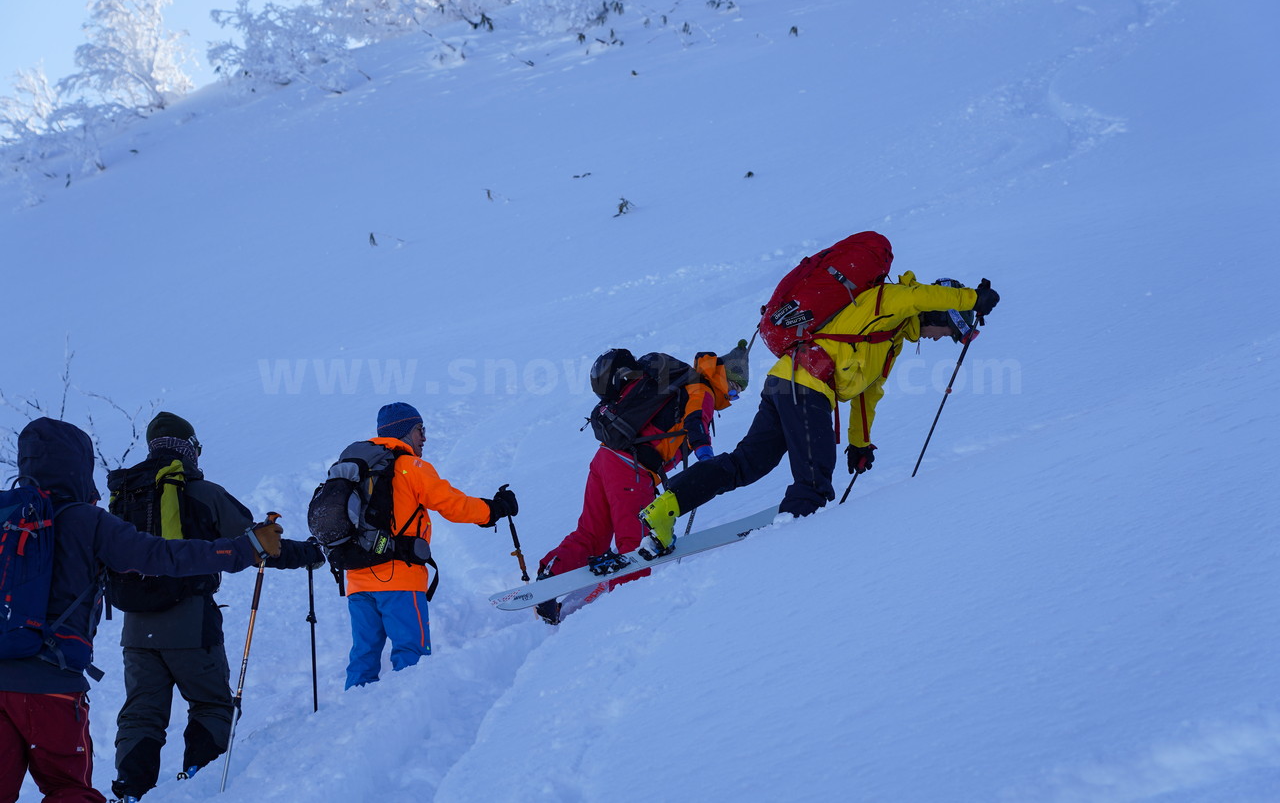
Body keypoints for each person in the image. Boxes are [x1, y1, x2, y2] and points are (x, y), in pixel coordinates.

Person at [0, 417, 282, 803]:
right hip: (51, 682)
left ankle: (133, 788)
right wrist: (240, 551)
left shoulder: (6, 518)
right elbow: (159, 555)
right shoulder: (86, 520)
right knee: (67, 789)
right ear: (78, 464)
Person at [638, 274, 1000, 554]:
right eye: (946, 329)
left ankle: (667, 506)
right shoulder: (890, 300)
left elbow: (865, 396)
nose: (940, 338)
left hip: (785, 382)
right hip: (806, 387)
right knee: (814, 481)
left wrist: (861, 444)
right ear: (936, 313)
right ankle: (790, 549)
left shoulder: (888, 340)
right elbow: (921, 295)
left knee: (746, 463)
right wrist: (971, 299)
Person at [109, 412, 323, 803]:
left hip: (136, 628)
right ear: (189, 449)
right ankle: (200, 785)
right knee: (210, 703)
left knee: (142, 713)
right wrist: (309, 554)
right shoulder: (203, 493)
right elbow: (261, 545)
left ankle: (130, 792)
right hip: (191, 624)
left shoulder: (127, 495)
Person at [533, 346, 747, 624]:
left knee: (592, 534)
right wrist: (705, 455)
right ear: (725, 379)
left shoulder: (678, 380)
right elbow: (697, 423)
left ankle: (548, 582)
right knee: (635, 546)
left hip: (606, 457)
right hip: (631, 470)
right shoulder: (702, 390)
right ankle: (628, 612)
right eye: (734, 390)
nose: (733, 397)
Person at [343, 402, 518, 689]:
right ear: (403, 432)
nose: (424, 437)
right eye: (419, 430)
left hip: (358, 580)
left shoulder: (356, 468)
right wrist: (493, 510)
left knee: (363, 656)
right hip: (399, 578)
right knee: (411, 656)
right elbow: (453, 505)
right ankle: (406, 716)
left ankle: (355, 717)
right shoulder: (410, 466)